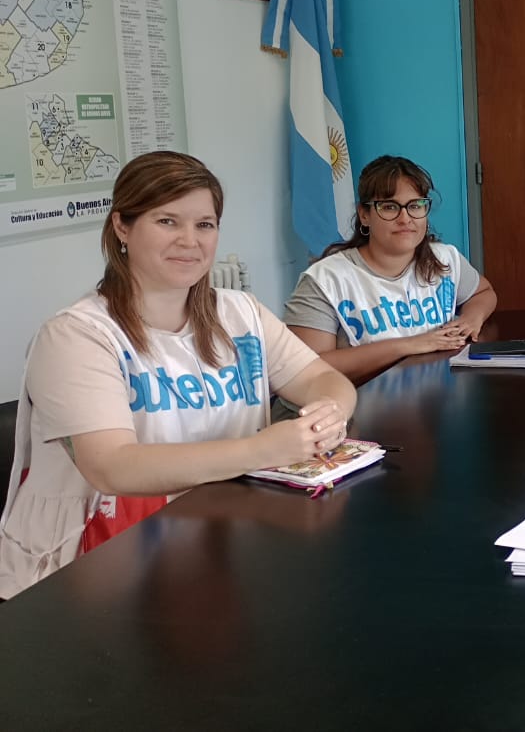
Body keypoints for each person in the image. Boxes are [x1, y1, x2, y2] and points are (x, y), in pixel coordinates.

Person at [0, 152, 356, 599]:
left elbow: (325, 379)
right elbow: (113, 467)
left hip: (212, 542)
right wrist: (263, 449)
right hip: (84, 570)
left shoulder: (240, 313)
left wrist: (329, 412)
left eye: (205, 224)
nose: (190, 241)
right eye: (167, 221)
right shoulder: (75, 336)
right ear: (122, 227)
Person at [284, 155, 496, 381]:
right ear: (364, 215)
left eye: (415, 206)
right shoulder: (325, 280)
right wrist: (408, 345)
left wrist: (472, 318)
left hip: (432, 392)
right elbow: (307, 368)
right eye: (389, 207)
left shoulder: (444, 258)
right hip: (356, 399)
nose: (405, 218)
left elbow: (483, 293)